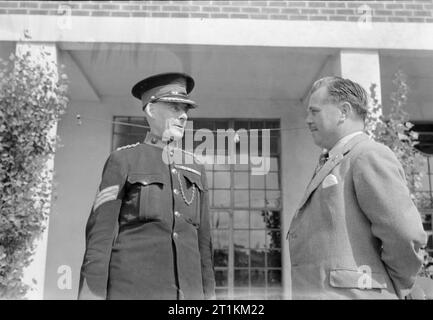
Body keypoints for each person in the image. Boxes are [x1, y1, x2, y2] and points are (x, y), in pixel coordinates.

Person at [78, 72, 215, 300]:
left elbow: (204, 245)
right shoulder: (123, 160)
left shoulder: (195, 167)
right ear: (151, 110)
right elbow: (99, 241)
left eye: (185, 110)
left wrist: (210, 297)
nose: (183, 117)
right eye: (174, 108)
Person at [288, 76, 427, 299]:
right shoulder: (336, 158)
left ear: (343, 111)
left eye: (314, 112)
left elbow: (404, 232)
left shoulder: (368, 155)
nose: (307, 120)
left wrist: (392, 285)